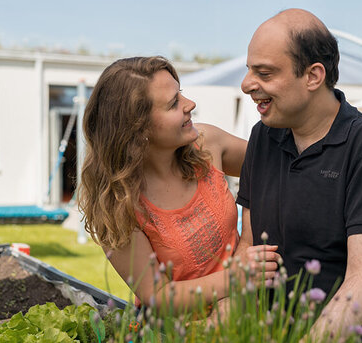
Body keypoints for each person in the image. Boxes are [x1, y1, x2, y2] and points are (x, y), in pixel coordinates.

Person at [237, 9, 362, 343]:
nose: (247, 84)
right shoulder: (263, 137)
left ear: (313, 76)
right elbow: (249, 248)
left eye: (264, 72)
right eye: (249, 70)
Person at [78, 56, 280, 313]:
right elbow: (157, 295)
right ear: (138, 130)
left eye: (181, 93)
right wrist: (235, 278)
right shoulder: (118, 203)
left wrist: (247, 241)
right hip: (178, 333)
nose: (190, 104)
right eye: (174, 103)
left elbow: (273, 167)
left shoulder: (208, 145)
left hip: (246, 314)